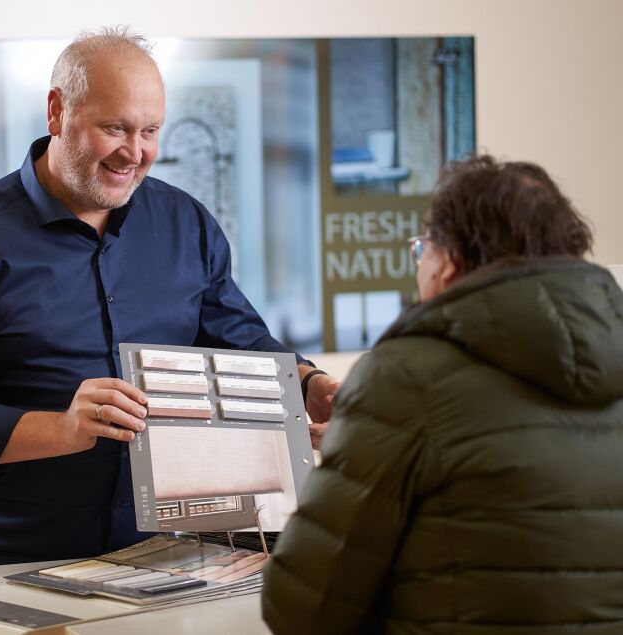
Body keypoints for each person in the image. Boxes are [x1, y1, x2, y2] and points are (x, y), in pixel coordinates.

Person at [0, 26, 340, 590]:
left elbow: (240, 341)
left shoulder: (187, 224)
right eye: (115, 128)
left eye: (150, 130)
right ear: (56, 112)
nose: (135, 152)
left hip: (173, 561)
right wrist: (62, 428)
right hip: (14, 563)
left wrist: (305, 381)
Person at [262, 155, 623, 633]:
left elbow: (301, 607)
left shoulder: (406, 375)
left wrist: (361, 455)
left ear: (450, 262)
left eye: (421, 250)